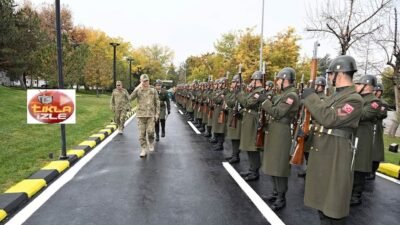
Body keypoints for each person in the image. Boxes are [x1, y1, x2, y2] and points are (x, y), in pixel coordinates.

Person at [302, 55, 363, 225]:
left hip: (337, 154)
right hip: (324, 151)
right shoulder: (334, 96)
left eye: (330, 74)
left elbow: (329, 118)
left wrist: (311, 97)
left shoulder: (354, 99)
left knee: (334, 207)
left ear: (340, 74)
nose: (328, 78)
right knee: (322, 203)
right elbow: (319, 118)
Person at [261, 67, 299, 211]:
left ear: (285, 80)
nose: (276, 82)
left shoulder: (291, 96)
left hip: (282, 132)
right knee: (273, 163)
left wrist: (265, 102)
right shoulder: (283, 94)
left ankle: (281, 196)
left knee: (280, 165)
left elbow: (278, 112)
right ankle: (275, 191)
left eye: (278, 79)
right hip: (274, 130)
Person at [351, 75, 381, 205]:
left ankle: (356, 195)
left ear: (367, 86)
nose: (356, 86)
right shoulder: (358, 98)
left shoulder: (374, 101)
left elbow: (364, 115)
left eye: (358, 84)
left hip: (363, 136)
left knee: (359, 165)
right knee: (350, 165)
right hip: (353, 134)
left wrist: (350, 109)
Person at [237, 71, 267, 181]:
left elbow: (247, 103)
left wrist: (240, 94)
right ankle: (251, 169)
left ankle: (255, 171)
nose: (251, 83)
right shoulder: (254, 91)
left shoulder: (259, 92)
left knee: (252, 146)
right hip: (248, 117)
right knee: (248, 146)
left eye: (253, 80)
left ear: (256, 81)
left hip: (253, 119)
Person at [129, 74, 160, 158]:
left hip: (150, 115)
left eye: (147, 81)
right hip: (140, 116)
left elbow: (157, 102)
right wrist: (137, 87)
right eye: (144, 81)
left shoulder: (153, 90)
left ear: (149, 81)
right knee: (141, 134)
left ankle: (150, 141)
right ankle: (143, 149)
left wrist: (157, 114)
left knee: (150, 132)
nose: (145, 82)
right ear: (141, 81)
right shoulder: (138, 90)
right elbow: (130, 98)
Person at [367, 83, 388, 180]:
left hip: (377, 126)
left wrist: (372, 114)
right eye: (376, 90)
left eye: (379, 91)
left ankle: (373, 171)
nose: (377, 93)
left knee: (376, 149)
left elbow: (381, 114)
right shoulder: (370, 101)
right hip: (369, 126)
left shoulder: (383, 103)